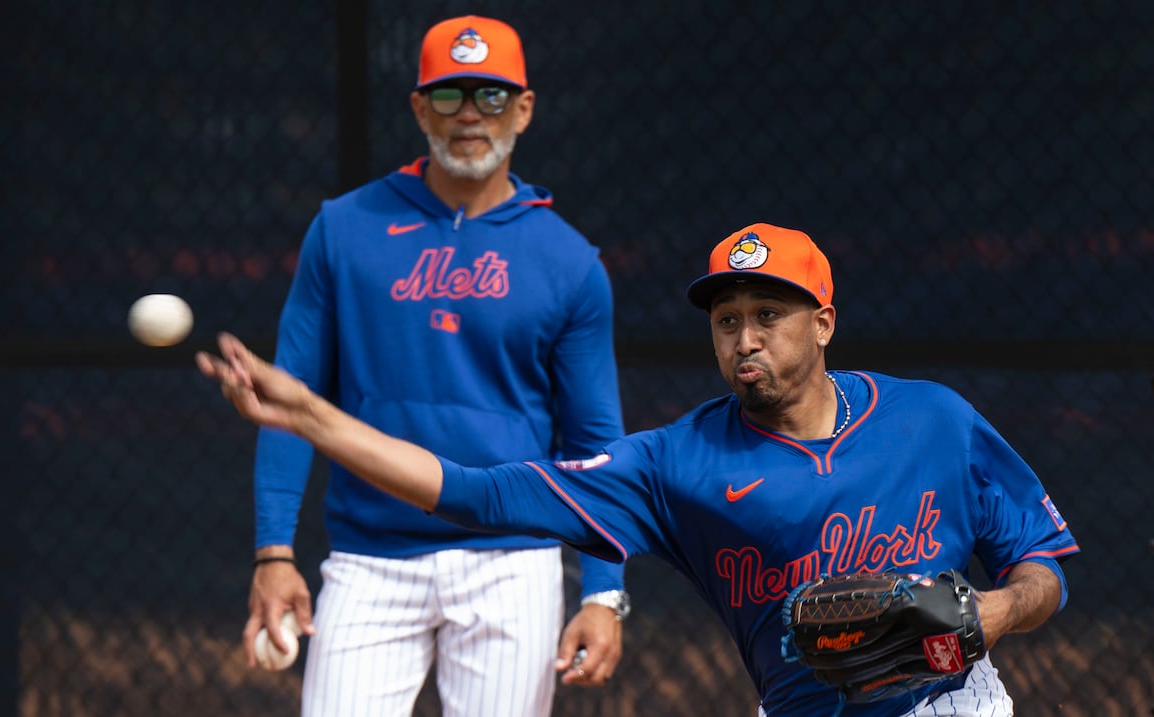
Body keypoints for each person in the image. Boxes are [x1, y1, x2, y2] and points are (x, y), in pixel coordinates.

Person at [200, 222, 1080, 716]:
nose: (745, 336)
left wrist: (994, 612)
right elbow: (475, 491)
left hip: (950, 706)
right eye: (727, 317)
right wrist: (312, 416)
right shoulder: (676, 462)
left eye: (769, 313)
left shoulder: (932, 419)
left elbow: (1041, 564)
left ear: (823, 323)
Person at [244, 15, 630, 717]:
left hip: (513, 557)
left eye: (491, 95)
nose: (470, 115)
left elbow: (594, 446)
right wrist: (274, 552)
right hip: (369, 557)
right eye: (450, 95)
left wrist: (604, 592)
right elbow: (286, 401)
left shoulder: (570, 262)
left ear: (524, 109)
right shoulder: (344, 228)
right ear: (420, 108)